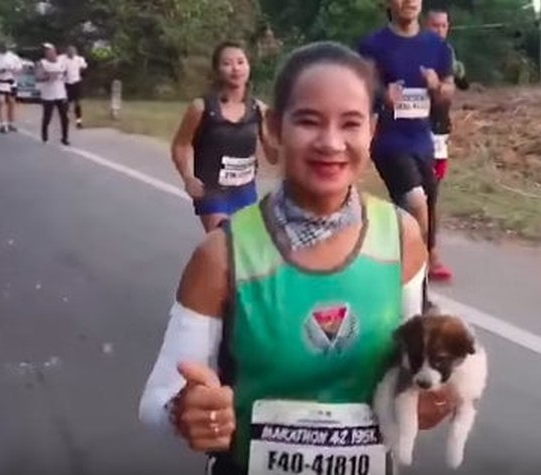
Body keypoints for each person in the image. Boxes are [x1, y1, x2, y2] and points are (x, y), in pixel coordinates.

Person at [138, 41, 455, 475]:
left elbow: (414, 368)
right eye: (308, 121)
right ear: (273, 128)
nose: (331, 142)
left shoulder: (402, 238)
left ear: (372, 131)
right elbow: (158, 401)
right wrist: (187, 411)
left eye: (351, 123)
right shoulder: (222, 255)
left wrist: (431, 396)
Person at [358, 0, 456, 294]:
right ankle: (417, 276)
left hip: (422, 140)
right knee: (416, 202)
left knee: (426, 205)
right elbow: (362, 86)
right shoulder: (373, 44)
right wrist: (380, 94)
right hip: (388, 140)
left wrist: (438, 87)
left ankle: (393, 263)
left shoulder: (436, 47)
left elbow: (448, 94)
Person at [170, 41, 274, 233]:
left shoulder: (259, 109)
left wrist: (285, 133)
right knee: (225, 242)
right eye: (227, 63)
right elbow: (181, 144)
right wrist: (188, 177)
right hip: (212, 191)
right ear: (217, 70)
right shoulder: (201, 108)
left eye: (241, 62)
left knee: (245, 249)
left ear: (249, 66)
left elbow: (273, 156)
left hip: (245, 191)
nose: (235, 68)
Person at [424, 7, 470, 282]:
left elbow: (456, 88)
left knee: (432, 195)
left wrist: (443, 86)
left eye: (443, 26)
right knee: (417, 195)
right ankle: (429, 254)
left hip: (439, 134)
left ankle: (427, 252)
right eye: (434, 26)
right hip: (413, 132)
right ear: (425, 26)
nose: (439, 30)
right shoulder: (414, 51)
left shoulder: (448, 54)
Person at [36, 43, 70, 145]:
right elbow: (38, 76)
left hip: (61, 93)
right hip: (48, 95)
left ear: (55, 52)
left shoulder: (61, 62)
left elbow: (66, 74)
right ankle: (45, 136)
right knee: (47, 116)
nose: (50, 54)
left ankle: (64, 137)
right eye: (47, 52)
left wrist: (63, 75)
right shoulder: (42, 63)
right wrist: (48, 77)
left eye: (51, 52)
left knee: (64, 116)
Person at [63, 45, 88, 129]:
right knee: (66, 102)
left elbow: (84, 66)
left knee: (77, 102)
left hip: (76, 82)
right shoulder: (63, 59)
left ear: (75, 52)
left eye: (72, 51)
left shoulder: (79, 59)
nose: (71, 53)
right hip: (67, 83)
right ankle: (65, 119)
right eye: (69, 51)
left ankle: (79, 121)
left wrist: (80, 72)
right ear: (67, 52)